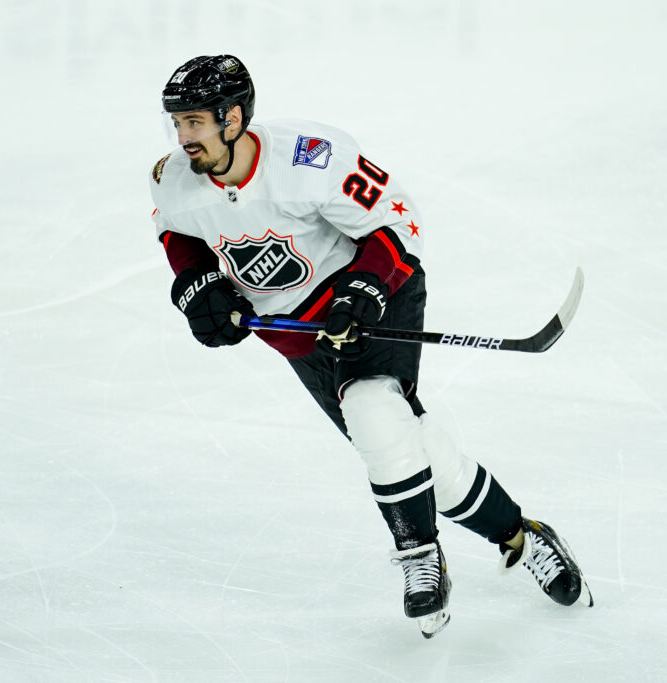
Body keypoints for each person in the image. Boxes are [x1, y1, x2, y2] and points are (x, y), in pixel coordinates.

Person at [149, 54, 593, 638]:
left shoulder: (311, 159)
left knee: (374, 411)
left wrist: (363, 288)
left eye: (195, 123)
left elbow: (396, 222)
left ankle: (419, 559)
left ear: (233, 118)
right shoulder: (174, 177)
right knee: (408, 446)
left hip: (376, 297)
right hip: (296, 335)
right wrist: (196, 285)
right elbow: (179, 232)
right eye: (176, 124)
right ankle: (521, 536)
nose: (183, 138)